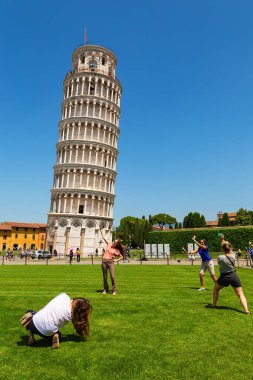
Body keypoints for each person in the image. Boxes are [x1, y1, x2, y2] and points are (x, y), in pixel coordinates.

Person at [20, 292, 92, 348]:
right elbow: (77, 323)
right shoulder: (70, 316)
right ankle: (56, 335)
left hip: (34, 324)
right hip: (46, 331)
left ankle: (31, 336)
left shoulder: (64, 296)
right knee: (58, 334)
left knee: (29, 313)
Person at [212, 240, 250, 314]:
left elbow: (219, 263)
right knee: (240, 294)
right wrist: (225, 243)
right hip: (233, 275)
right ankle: (246, 311)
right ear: (230, 248)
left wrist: (223, 242)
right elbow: (230, 250)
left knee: (216, 289)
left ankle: (213, 305)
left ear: (223, 249)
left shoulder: (220, 257)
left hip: (224, 276)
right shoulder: (233, 255)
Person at [100, 228, 123, 295]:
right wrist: (101, 231)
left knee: (112, 276)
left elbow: (121, 257)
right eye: (113, 241)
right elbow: (104, 237)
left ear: (116, 244)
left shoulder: (116, 250)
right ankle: (105, 289)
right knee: (105, 276)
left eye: (115, 242)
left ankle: (114, 290)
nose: (113, 242)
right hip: (104, 261)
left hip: (110, 262)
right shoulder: (109, 244)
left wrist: (116, 260)